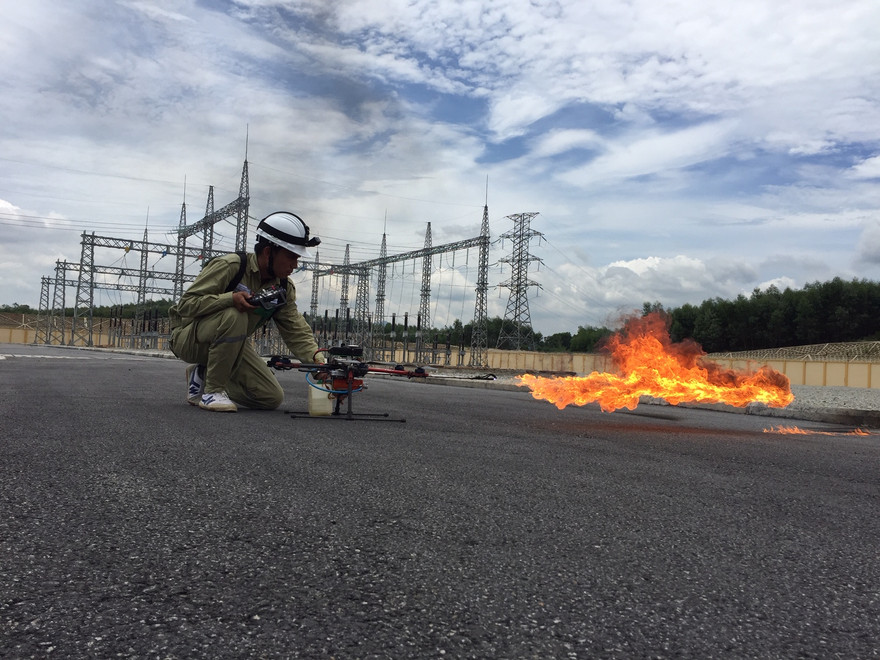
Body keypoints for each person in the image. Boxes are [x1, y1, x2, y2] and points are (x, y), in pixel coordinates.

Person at [168, 211, 324, 412]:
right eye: (291, 257)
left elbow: (296, 330)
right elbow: (186, 305)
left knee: (270, 397)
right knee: (235, 314)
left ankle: (203, 375)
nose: (295, 265)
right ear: (269, 252)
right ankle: (212, 392)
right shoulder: (231, 266)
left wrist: (319, 365)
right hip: (188, 338)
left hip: (231, 343)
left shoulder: (283, 287)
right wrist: (229, 298)